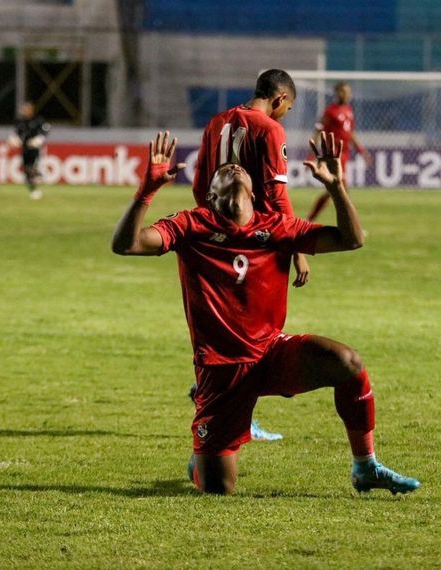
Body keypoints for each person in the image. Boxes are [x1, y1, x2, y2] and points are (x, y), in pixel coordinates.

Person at [112, 131, 421, 496]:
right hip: (221, 371)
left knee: (347, 362)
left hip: (271, 353)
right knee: (217, 489)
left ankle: (365, 466)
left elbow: (352, 240)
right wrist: (146, 192)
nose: (233, 167)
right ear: (211, 196)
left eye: (239, 168)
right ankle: (202, 461)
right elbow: (127, 244)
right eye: (223, 170)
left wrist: (337, 187)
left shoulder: (275, 227)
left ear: (255, 194)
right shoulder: (191, 225)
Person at [190, 68, 310, 440]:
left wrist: (217, 230)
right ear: (279, 99)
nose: (284, 115)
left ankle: (217, 398)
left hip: (215, 241)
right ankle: (238, 411)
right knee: (259, 330)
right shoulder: (270, 130)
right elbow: (276, 198)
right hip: (259, 244)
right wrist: (297, 249)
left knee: (222, 324)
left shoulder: (217, 123)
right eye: (286, 108)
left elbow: (199, 186)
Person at [307, 81, 372, 221]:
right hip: (333, 155)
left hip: (344, 154)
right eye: (343, 91)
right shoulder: (330, 111)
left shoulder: (348, 110)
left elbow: (351, 133)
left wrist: (362, 151)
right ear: (337, 93)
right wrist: (312, 153)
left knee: (335, 191)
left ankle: (310, 220)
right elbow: (318, 129)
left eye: (348, 91)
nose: (347, 94)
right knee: (340, 189)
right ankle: (349, 225)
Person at [8, 102, 50, 200]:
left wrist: (40, 138)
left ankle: (38, 175)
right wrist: (14, 139)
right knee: (26, 168)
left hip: (35, 148)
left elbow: (46, 128)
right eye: (24, 109)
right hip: (25, 147)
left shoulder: (38, 120)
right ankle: (33, 189)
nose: (25, 111)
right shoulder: (20, 121)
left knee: (32, 166)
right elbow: (16, 133)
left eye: (27, 109)